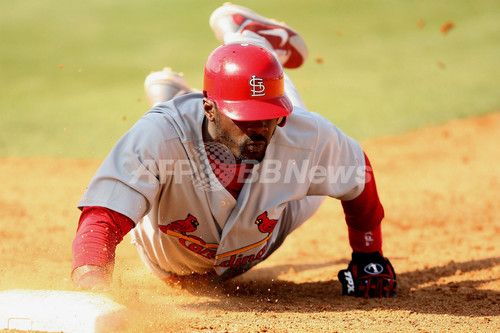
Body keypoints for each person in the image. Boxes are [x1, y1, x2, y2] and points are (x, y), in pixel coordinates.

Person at [72, 3, 397, 298]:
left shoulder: (299, 134)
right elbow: (103, 215)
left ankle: (247, 37)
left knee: (303, 132)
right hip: (168, 255)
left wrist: (368, 256)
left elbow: (357, 172)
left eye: (268, 117)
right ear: (209, 108)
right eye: (245, 118)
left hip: (274, 217)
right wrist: (93, 285)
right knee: (165, 148)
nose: (258, 129)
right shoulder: (158, 138)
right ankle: (174, 97)